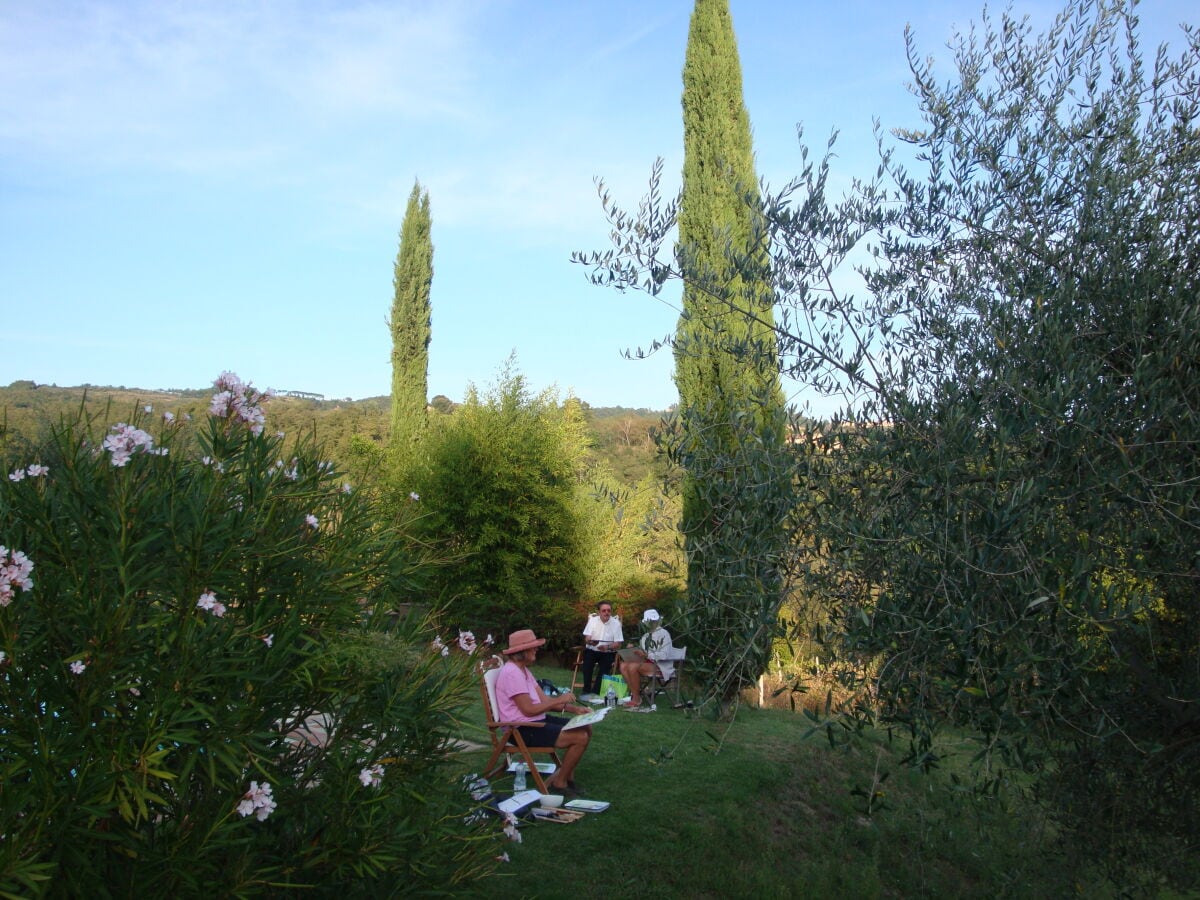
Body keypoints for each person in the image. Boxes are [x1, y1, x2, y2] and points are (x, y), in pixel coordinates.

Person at [495, 628, 593, 796]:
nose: (537, 649)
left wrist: (574, 709)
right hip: (520, 729)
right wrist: (560, 699)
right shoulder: (512, 673)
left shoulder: (523, 670)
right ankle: (560, 783)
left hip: (533, 721)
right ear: (521, 651)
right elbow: (529, 710)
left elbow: (545, 702)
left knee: (586, 727)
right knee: (580, 736)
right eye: (533, 647)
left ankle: (566, 776)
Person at [619, 608, 674, 710]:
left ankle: (636, 698)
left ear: (657, 621)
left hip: (661, 666)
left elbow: (664, 655)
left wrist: (646, 655)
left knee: (632, 667)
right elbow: (643, 654)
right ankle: (636, 694)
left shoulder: (664, 634)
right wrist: (632, 651)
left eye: (653, 621)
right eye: (650, 621)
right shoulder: (645, 636)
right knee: (623, 665)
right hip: (647, 663)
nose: (652, 623)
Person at [579, 601, 623, 697]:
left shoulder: (616, 624)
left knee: (605, 668)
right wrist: (590, 641)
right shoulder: (592, 621)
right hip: (592, 649)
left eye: (608, 610)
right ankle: (586, 690)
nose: (606, 613)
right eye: (604, 610)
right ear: (599, 612)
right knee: (587, 666)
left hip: (607, 651)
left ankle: (595, 692)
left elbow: (618, 643)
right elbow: (587, 637)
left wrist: (607, 647)